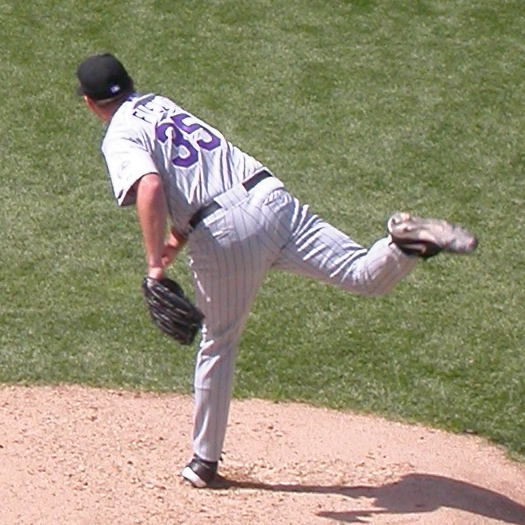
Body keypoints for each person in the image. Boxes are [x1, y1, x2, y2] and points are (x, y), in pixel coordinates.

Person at [76, 53, 477, 488]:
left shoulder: (118, 134)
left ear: (88, 103)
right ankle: (403, 244)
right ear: (130, 84)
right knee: (364, 273)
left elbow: (151, 186)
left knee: (218, 343)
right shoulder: (160, 104)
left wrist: (153, 264)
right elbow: (194, 174)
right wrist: (176, 240)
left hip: (227, 234)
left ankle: (204, 462)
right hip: (270, 197)